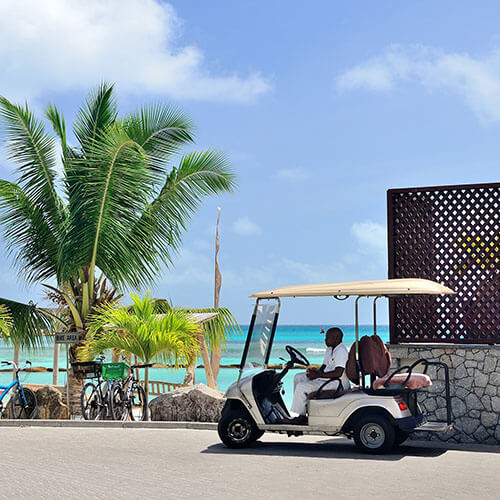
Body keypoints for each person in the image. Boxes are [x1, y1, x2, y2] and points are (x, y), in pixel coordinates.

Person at [281, 327, 350, 425]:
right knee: (298, 377)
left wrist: (318, 375)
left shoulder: (341, 351)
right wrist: (315, 372)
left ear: (336, 338)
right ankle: (303, 411)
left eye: (327, 337)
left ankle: (300, 417)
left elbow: (338, 373)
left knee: (302, 387)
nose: (325, 340)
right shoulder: (330, 349)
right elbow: (324, 366)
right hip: (327, 379)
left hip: (336, 383)